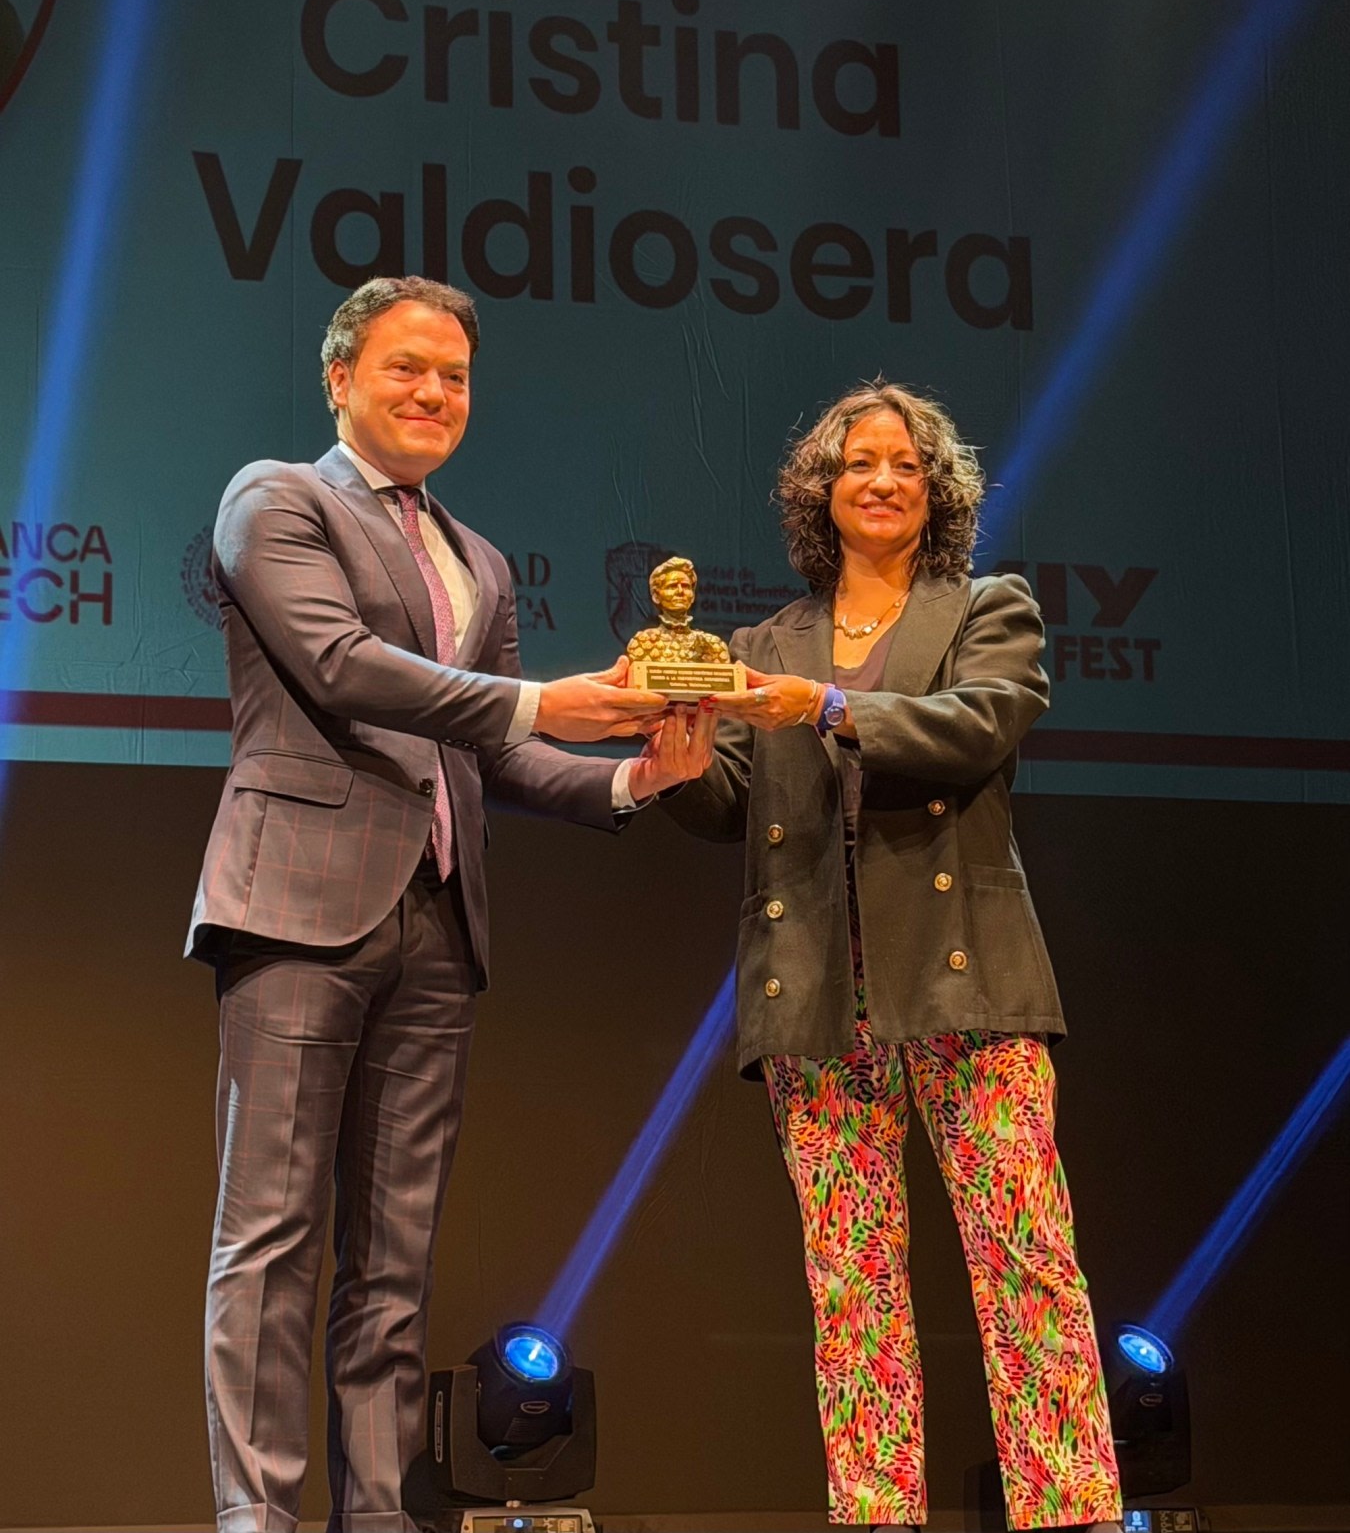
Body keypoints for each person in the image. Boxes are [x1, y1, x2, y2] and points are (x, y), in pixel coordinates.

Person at [187, 275, 713, 1533]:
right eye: (405, 369)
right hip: (299, 906)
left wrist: (635, 772)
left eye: (455, 377)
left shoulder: (477, 559)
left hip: (440, 922)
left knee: (394, 1266)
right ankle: (256, 1522)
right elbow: (344, 668)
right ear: (340, 379)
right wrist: (550, 703)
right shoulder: (277, 499)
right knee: (269, 1246)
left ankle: (379, 1518)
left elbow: (500, 759)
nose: (432, 394)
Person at [663, 382, 1122, 1533]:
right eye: (856, 464)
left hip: (967, 982)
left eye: (905, 464)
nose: (880, 480)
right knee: (852, 1294)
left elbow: (980, 724)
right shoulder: (762, 643)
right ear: (820, 492)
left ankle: (1067, 1513)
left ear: (938, 490)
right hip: (816, 990)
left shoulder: (986, 611)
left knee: (1027, 1275)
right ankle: (877, 1520)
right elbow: (732, 800)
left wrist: (825, 707)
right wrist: (675, 753)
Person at [626, 556, 731, 667]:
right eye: (672, 586)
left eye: (686, 586)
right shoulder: (643, 643)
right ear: (656, 596)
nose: (680, 591)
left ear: (693, 595)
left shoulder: (713, 646)